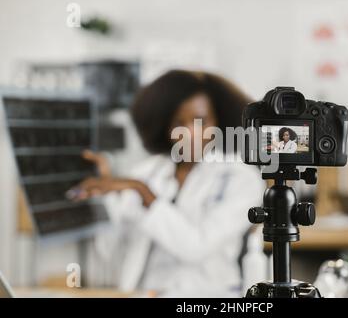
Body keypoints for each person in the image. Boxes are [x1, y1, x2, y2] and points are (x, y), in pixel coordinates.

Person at [71, 70, 266, 297]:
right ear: (165, 126)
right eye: (178, 122)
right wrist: (105, 197)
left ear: (219, 121)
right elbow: (108, 251)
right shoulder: (146, 172)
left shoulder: (240, 178)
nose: (190, 133)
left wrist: (144, 193)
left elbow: (195, 247)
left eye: (201, 122)